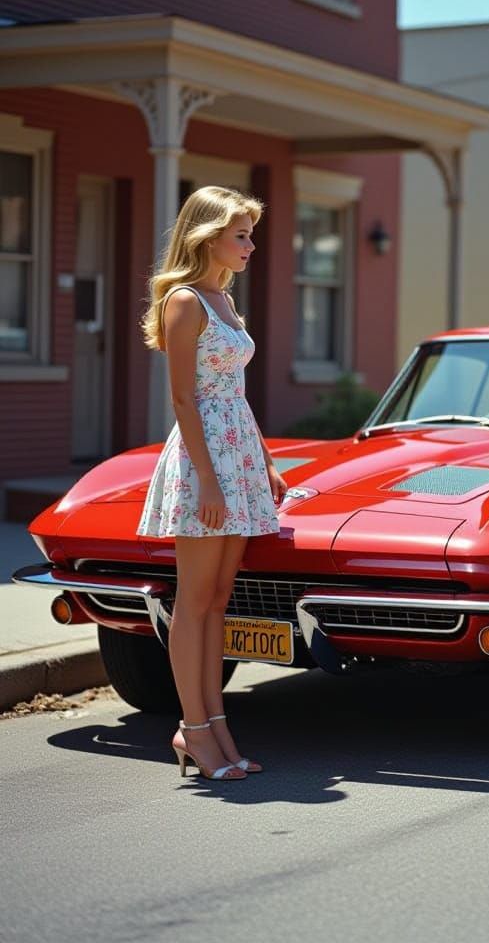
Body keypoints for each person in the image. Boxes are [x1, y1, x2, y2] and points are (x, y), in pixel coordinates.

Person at [138, 185, 286, 781]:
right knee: (193, 603)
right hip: (205, 464)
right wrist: (209, 480)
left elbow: (234, 396)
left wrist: (266, 462)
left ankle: (216, 727)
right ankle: (194, 730)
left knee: (219, 602)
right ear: (208, 237)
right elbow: (182, 398)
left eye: (251, 233)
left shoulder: (225, 302)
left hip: (238, 456)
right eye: (241, 235)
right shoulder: (185, 302)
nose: (251, 245)